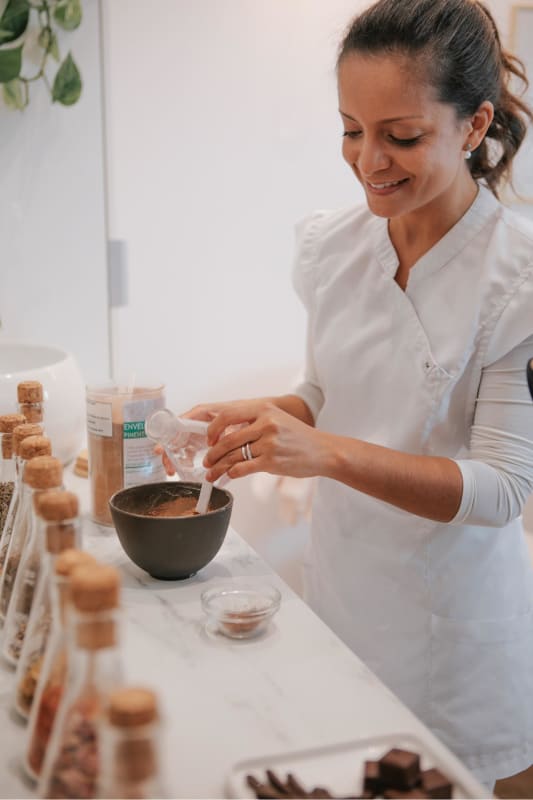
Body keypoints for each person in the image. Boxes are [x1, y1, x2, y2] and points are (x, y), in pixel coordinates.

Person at [167, 0, 533, 789]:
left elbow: (503, 489)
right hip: (342, 599)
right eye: (350, 129)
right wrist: (271, 416)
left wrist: (322, 452)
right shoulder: (333, 246)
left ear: (472, 127)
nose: (369, 160)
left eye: (400, 136)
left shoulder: (516, 278)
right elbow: (324, 391)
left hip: (455, 633)